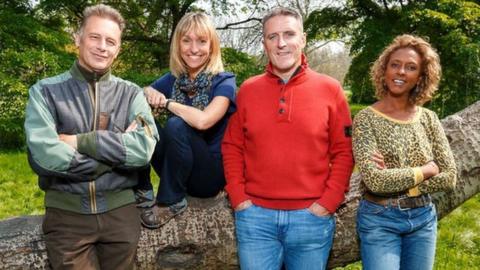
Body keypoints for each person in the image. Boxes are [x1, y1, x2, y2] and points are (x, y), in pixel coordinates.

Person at [24, 4, 158, 269]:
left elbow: (143, 150)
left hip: (121, 216)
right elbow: (45, 154)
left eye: (111, 41)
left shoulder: (131, 94)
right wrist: (115, 153)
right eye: (95, 37)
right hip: (67, 217)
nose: (102, 47)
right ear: (78, 38)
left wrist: (80, 142)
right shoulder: (45, 92)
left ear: (118, 48)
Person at [221, 7, 354, 270]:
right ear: (264, 43)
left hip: (311, 219)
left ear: (303, 39)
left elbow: (344, 151)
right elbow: (232, 146)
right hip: (255, 218)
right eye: (272, 37)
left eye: (289, 34)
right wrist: (238, 197)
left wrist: (327, 203)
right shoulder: (248, 89)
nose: (281, 43)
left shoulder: (330, 89)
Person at [352, 34, 457, 270]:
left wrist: (409, 184)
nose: (401, 72)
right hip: (380, 218)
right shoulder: (366, 119)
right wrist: (426, 170)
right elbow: (375, 181)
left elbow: (449, 175)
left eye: (410, 68)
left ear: (420, 77)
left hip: (423, 218)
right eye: (395, 65)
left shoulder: (428, 118)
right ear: (384, 70)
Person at [136, 12, 236, 229]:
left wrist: (167, 103)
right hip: (179, 169)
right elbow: (141, 92)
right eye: (186, 40)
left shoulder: (224, 82)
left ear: (212, 46)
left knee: (176, 124)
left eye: (201, 41)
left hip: (209, 177)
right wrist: (148, 92)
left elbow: (203, 121)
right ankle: (142, 189)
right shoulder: (174, 79)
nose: (193, 49)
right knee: (143, 121)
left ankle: (170, 201)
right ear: (178, 44)